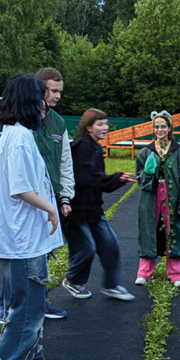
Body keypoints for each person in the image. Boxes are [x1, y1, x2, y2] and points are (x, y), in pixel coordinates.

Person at [0, 74, 63, 360]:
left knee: (33, 301)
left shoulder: (20, 134)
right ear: (30, 101)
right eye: (42, 98)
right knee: (27, 306)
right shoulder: (18, 138)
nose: (45, 104)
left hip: (28, 237)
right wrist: (51, 209)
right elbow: (21, 189)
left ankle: (28, 358)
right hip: (22, 239)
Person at [61, 109, 137, 301]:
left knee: (110, 245)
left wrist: (116, 180)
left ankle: (111, 285)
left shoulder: (95, 146)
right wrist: (115, 179)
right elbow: (88, 178)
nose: (105, 128)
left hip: (93, 208)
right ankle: (73, 280)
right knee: (86, 248)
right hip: (76, 210)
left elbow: (97, 182)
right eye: (100, 124)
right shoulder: (82, 146)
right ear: (88, 127)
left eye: (106, 123)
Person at [33, 67, 74, 320]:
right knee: (21, 255)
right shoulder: (23, 119)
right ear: (39, 88)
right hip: (26, 197)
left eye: (60, 91)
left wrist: (65, 196)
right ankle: (7, 304)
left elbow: (65, 163)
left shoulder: (59, 122)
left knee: (44, 252)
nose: (58, 96)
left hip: (49, 196)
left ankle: (40, 301)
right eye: (53, 90)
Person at [135, 111, 180, 287]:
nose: (159, 129)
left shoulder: (178, 151)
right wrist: (147, 173)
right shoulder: (146, 151)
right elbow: (140, 180)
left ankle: (177, 274)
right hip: (151, 197)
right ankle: (144, 273)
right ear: (153, 129)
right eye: (156, 126)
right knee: (148, 231)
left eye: (163, 126)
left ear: (169, 128)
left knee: (173, 231)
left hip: (172, 197)